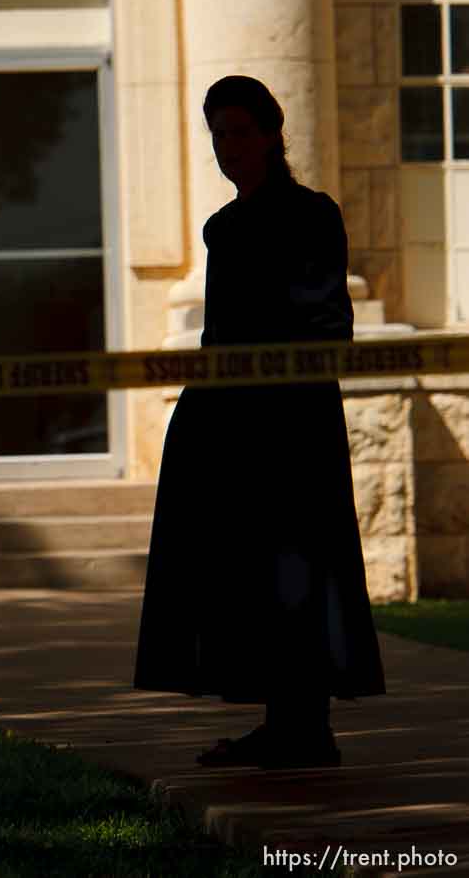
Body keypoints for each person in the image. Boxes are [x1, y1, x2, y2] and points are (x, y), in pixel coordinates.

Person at [133, 75, 385, 769]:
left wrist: (271, 377)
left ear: (273, 134)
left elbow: (326, 318)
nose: (227, 147)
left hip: (291, 421)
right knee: (246, 572)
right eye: (217, 134)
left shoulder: (309, 214)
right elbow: (223, 333)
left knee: (299, 568)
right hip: (227, 418)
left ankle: (305, 725)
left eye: (239, 131)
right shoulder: (225, 227)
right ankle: (284, 724)